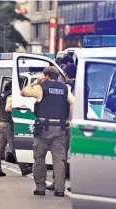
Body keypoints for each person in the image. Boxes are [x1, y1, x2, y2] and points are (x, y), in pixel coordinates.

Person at [21, 66, 74, 197]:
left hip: (44, 128)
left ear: (46, 76)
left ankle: (40, 188)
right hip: (60, 127)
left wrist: (36, 82)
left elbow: (23, 92)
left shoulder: (41, 87)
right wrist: (69, 119)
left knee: (39, 157)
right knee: (59, 159)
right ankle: (60, 189)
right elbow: (72, 102)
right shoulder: (65, 88)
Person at [46, 63, 77, 191]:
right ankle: (74, 184)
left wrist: (68, 119)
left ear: (65, 74)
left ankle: (58, 183)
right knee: (75, 156)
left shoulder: (67, 86)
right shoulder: (82, 85)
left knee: (60, 156)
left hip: (67, 124)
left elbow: (70, 103)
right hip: (81, 124)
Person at [0, 81, 32, 177]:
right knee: (14, 146)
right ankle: (24, 168)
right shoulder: (11, 95)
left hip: (0, 123)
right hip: (7, 124)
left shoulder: (3, 95)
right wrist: (16, 109)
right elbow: (8, 108)